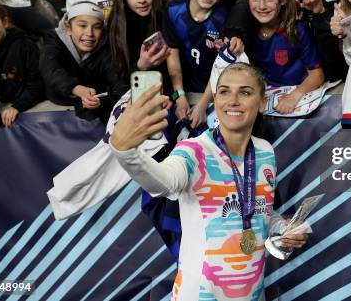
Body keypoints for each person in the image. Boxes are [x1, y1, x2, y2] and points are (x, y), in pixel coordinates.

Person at [109, 62, 308, 300]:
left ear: (262, 102)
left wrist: (282, 227)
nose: (232, 100)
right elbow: (163, 183)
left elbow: (258, 210)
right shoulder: (193, 151)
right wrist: (125, 152)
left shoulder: (265, 152)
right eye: (224, 91)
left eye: (244, 92)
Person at [163, 0, 240, 127]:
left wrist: (203, 104)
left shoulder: (226, 16)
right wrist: (179, 96)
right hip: (181, 91)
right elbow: (172, 59)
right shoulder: (173, 10)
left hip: (214, 92)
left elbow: (222, 66)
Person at [246, 0, 325, 112]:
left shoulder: (297, 29)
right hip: (267, 100)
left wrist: (294, 96)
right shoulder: (247, 31)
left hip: (299, 96)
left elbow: (317, 75)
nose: (261, 6)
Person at [40, 1, 128, 122]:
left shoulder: (105, 48)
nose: (89, 33)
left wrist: (103, 101)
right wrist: (77, 89)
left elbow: (117, 80)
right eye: (82, 26)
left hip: (93, 108)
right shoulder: (53, 42)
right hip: (60, 107)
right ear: (68, 28)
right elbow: (50, 69)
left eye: (97, 27)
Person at [108, 0, 171, 85]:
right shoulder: (116, 21)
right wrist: (140, 66)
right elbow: (116, 77)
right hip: (136, 92)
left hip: (174, 93)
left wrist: (173, 97)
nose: (142, 0)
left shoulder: (169, 10)